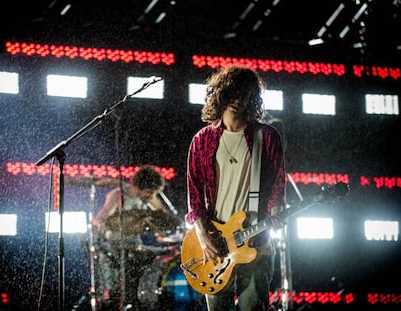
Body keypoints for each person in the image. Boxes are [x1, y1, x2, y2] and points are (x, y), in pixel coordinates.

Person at [185, 65, 286, 311]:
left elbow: (277, 184)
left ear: (253, 98)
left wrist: (276, 212)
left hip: (256, 239)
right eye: (232, 91)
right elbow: (194, 194)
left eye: (245, 93)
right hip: (216, 241)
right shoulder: (202, 140)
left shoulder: (267, 137)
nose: (237, 99)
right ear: (221, 93)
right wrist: (202, 234)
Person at [94, 165, 181, 311]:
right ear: (137, 186)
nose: (150, 197)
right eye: (148, 193)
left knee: (165, 255)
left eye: (153, 194)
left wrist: (163, 225)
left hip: (136, 244)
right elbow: (100, 220)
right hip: (115, 247)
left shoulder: (149, 197)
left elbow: (163, 217)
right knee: (118, 286)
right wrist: (110, 234)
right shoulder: (118, 195)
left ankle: (150, 298)